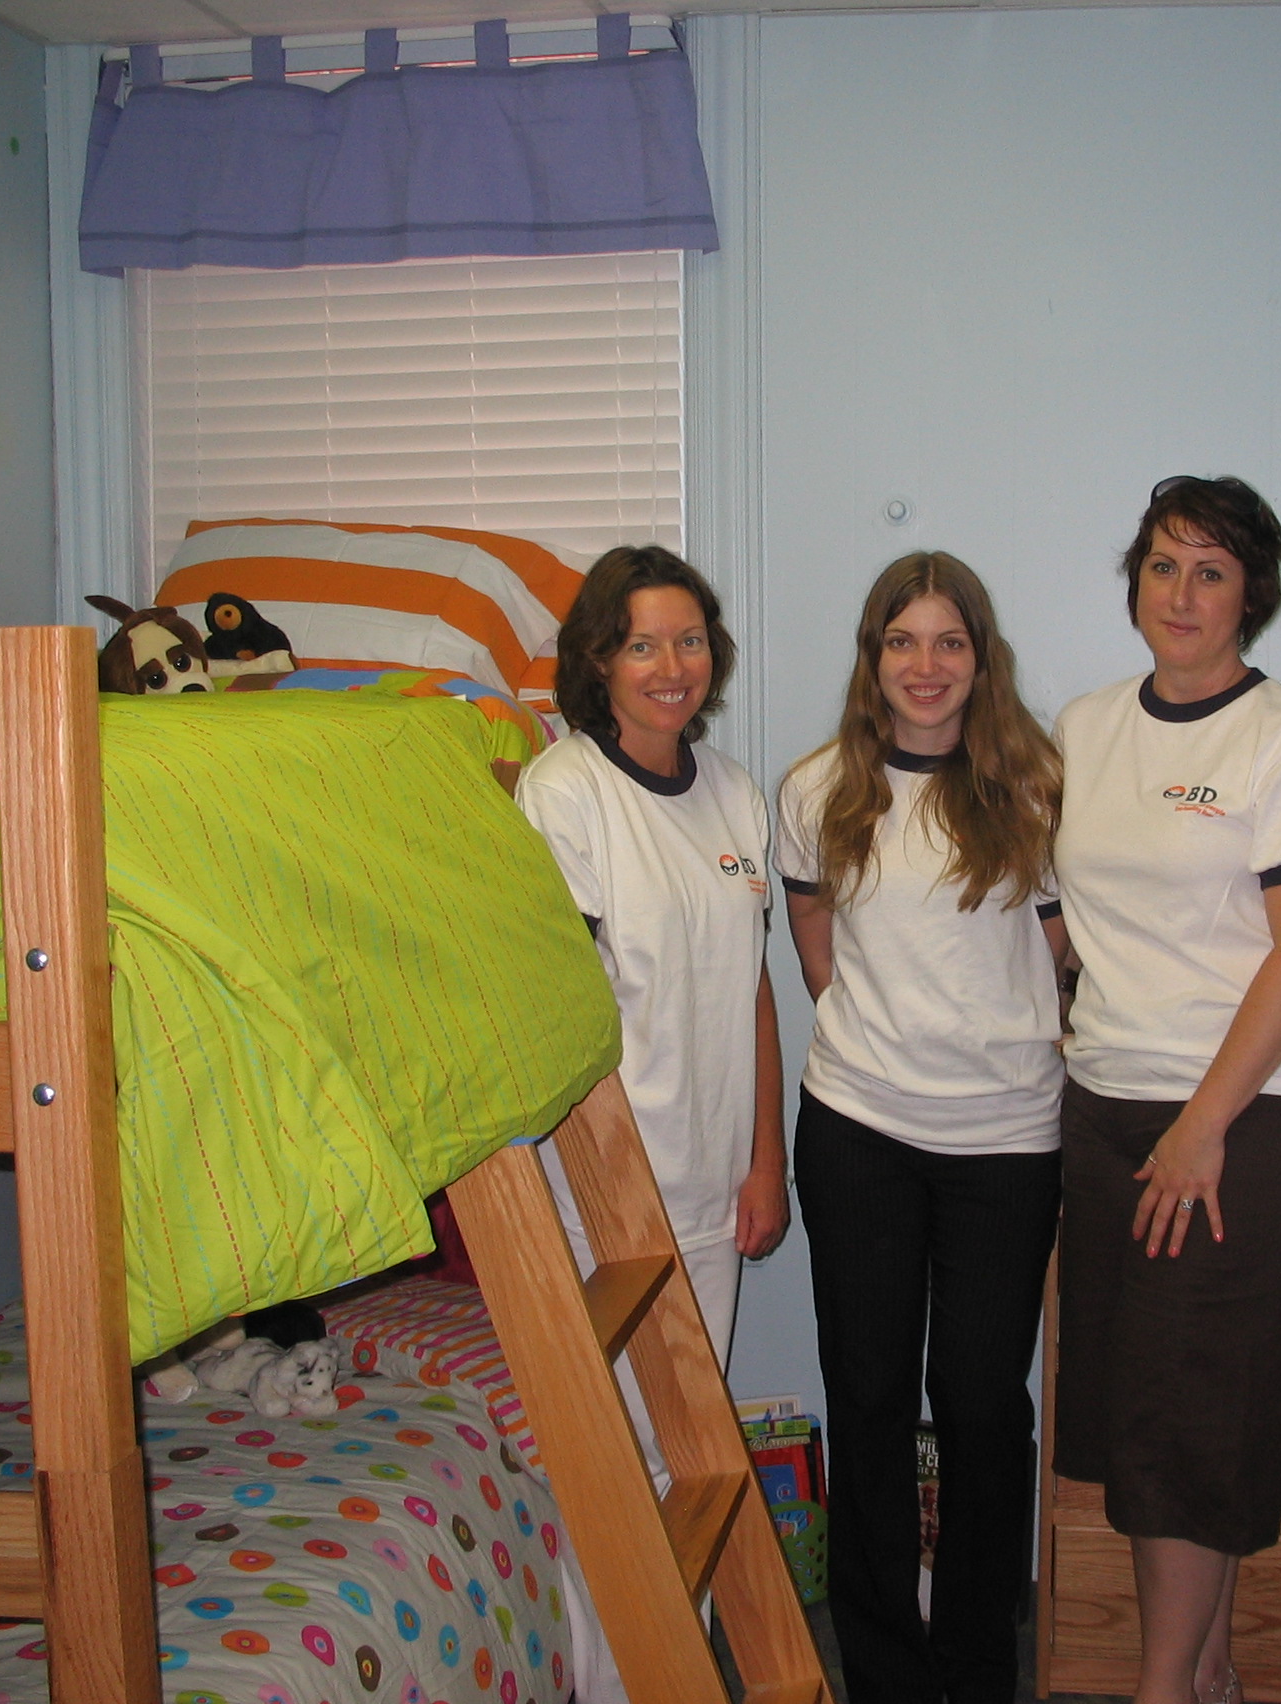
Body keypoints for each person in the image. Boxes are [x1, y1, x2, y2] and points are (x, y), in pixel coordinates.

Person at [1052, 476, 1281, 1704]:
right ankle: (1209, 1671)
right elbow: (1063, 911)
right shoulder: (1084, 727)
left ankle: (1161, 1689)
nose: (1181, 595)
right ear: (1134, 579)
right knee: (1158, 1411)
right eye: (1163, 566)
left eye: (1212, 572)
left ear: (1252, 597)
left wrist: (1201, 1123)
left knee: (1184, 1417)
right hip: (1107, 1103)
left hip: (1245, 1121)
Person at [776, 552, 1068, 1704]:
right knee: (870, 1397)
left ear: (981, 659)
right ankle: (887, 1672)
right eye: (903, 641)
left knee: (984, 1406)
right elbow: (812, 927)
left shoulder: (1036, 784)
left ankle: (979, 1665)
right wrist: (869, 1021)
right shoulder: (817, 789)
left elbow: (1062, 942)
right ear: (873, 657)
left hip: (1007, 1142)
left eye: (950, 641)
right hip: (860, 1132)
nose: (926, 664)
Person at [516, 546, 791, 1704]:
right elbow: (561, 1008)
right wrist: (612, 1194)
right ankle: (611, 1682)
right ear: (598, 661)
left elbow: (753, 984)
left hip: (716, 1183)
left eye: (688, 641)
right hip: (608, 1191)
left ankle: (666, 1673)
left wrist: (768, 1161)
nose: (671, 666)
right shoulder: (566, 792)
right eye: (642, 645)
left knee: (690, 1457)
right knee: (616, 1467)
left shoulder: (732, 791)